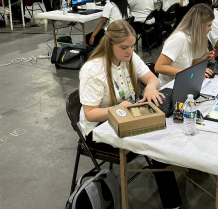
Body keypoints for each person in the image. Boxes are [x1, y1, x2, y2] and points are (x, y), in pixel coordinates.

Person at [78, 20, 182, 209]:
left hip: (125, 115)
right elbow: (90, 114)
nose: (130, 50)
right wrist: (117, 109)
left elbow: (151, 78)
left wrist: (150, 87)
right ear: (110, 45)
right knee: (157, 144)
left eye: (133, 45)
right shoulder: (93, 70)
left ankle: (172, 199)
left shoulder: (129, 57)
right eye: (124, 47)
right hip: (98, 129)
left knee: (163, 129)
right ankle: (173, 204)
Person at [155, 4, 214, 86]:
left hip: (181, 83)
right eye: (209, 25)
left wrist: (200, 59)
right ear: (198, 25)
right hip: (169, 87)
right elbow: (159, 67)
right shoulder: (179, 38)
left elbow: (183, 64)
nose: (210, 29)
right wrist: (192, 72)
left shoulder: (190, 37)